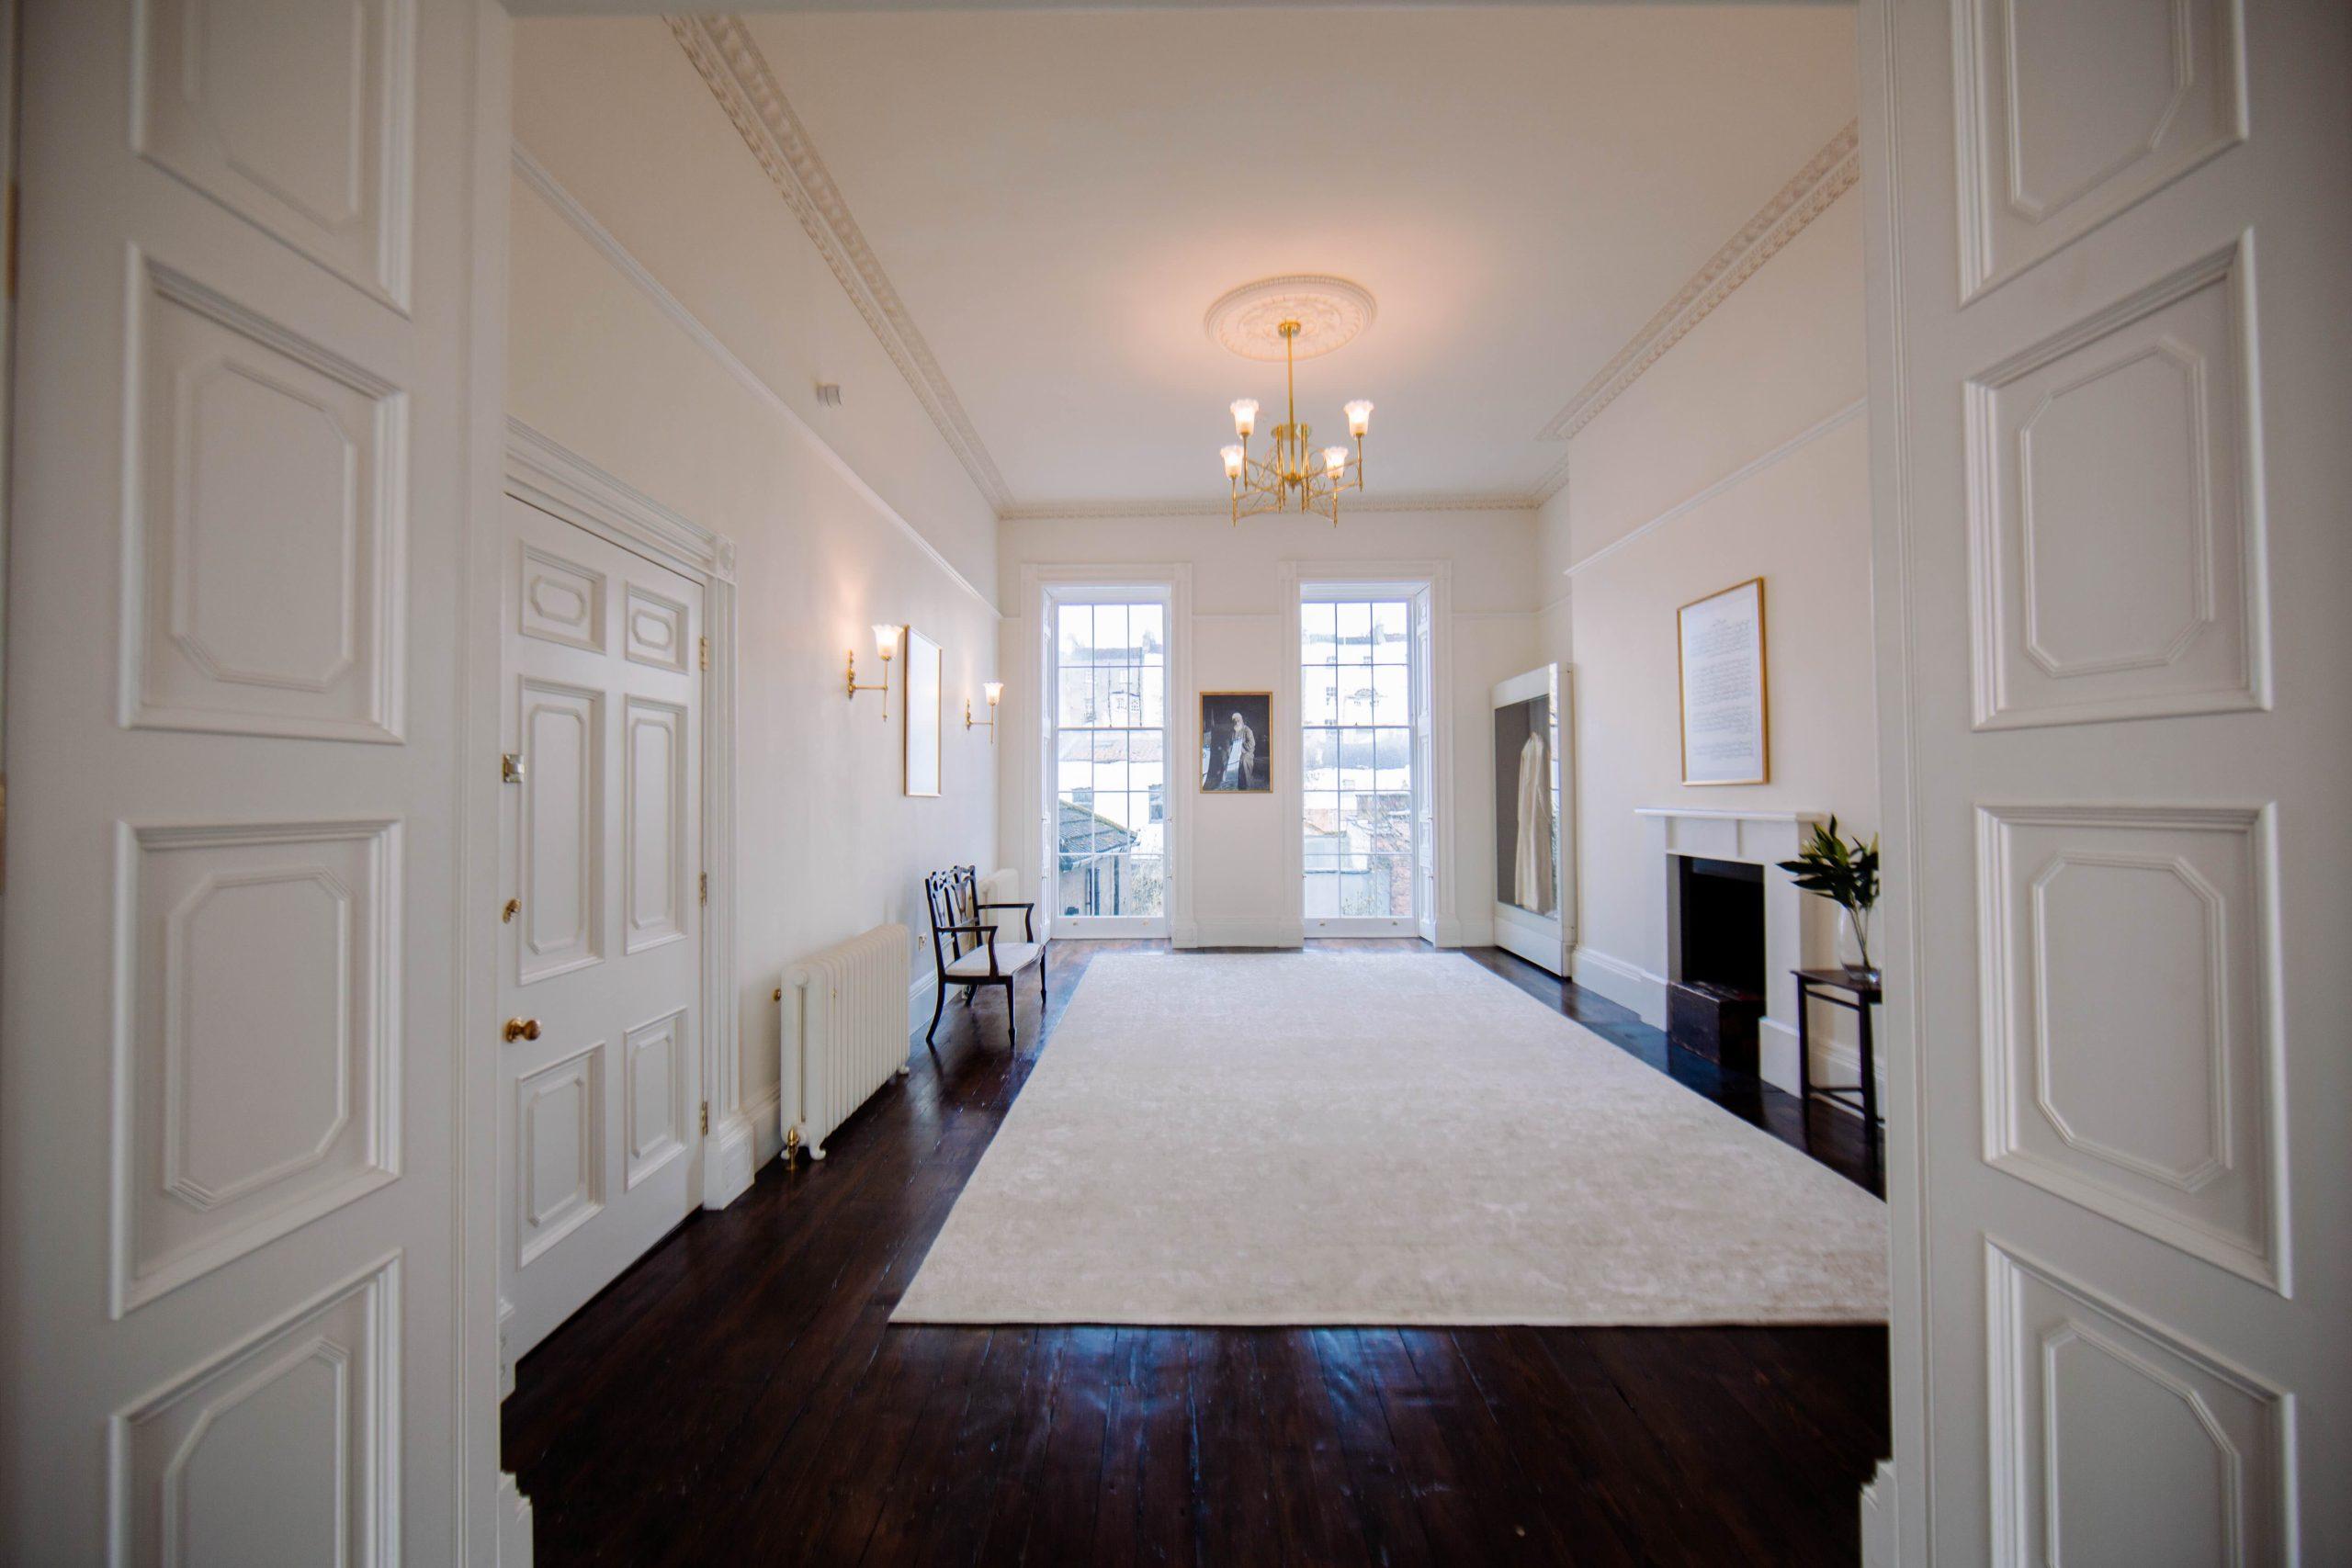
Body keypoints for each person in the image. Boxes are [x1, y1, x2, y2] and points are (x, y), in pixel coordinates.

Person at [1207, 709, 1257, 790]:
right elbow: (1229, 743)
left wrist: (1240, 747)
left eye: (1238, 720)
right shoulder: (1233, 731)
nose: (1236, 722)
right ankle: (1228, 783)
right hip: (1235, 753)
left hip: (1246, 753)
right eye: (1235, 721)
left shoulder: (1247, 730)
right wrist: (1228, 748)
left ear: (1242, 721)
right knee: (1225, 757)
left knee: (1243, 760)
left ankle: (1247, 785)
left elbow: (1252, 744)